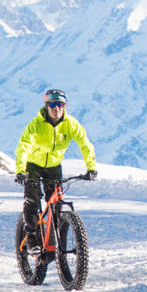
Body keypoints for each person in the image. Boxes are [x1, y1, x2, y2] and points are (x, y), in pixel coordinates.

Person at [14, 89, 97, 253]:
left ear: (65, 106)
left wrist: (91, 167)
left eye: (60, 104)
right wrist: (20, 170)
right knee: (32, 200)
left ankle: (56, 239)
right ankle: (32, 238)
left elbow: (85, 144)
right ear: (47, 106)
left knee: (56, 203)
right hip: (33, 165)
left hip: (54, 167)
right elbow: (24, 147)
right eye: (52, 104)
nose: (56, 108)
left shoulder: (71, 124)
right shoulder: (36, 124)